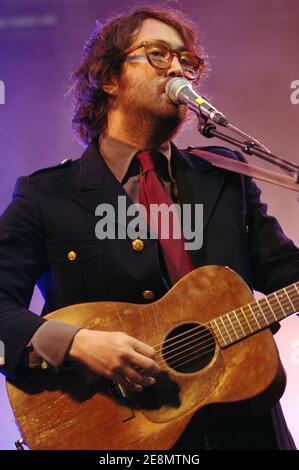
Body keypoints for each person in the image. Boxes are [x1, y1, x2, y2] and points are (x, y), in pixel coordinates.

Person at [0, 6, 298, 450]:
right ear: (109, 78)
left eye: (187, 61)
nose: (179, 68)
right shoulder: (48, 195)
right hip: (116, 437)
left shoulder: (225, 175)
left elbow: (286, 272)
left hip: (246, 434)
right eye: (158, 54)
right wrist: (75, 343)